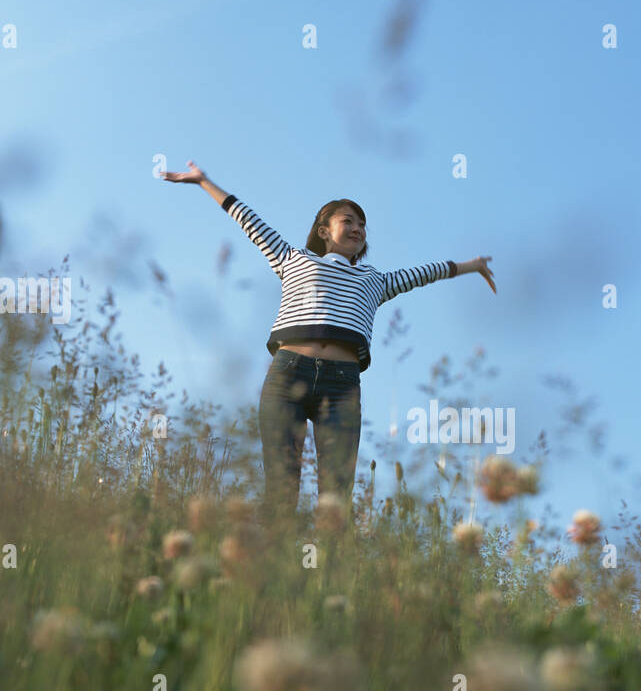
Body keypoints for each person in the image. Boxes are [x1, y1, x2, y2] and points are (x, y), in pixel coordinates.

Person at [160, 161, 496, 528]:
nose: (357, 228)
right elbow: (248, 219)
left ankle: (328, 574)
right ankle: (276, 569)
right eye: (348, 220)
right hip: (288, 375)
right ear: (324, 230)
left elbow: (426, 273)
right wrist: (203, 181)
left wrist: (472, 265)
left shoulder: (375, 280)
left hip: (342, 385)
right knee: (282, 485)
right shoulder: (293, 259)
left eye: (362, 224)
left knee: (336, 496)